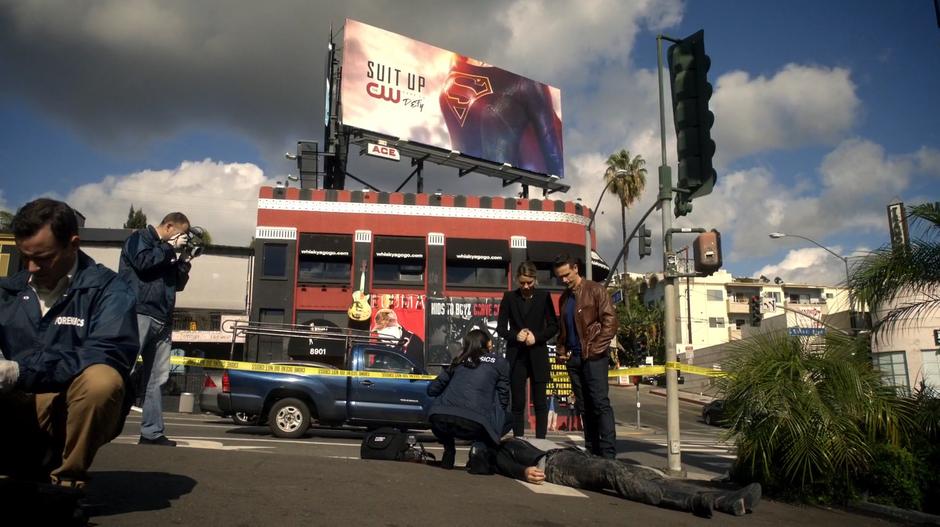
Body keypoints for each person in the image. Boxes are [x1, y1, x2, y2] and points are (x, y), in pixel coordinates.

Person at [0, 198, 139, 488]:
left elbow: (108, 352)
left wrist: (18, 371)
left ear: (73, 244)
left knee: (103, 379)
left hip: (66, 406)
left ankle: (66, 482)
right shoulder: (7, 291)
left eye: (43, 257)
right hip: (15, 405)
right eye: (25, 256)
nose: (32, 267)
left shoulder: (109, 290)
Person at [490, 437, 761, 518]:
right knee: (618, 477)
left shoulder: (515, 437)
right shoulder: (500, 448)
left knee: (646, 474)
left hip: (576, 455)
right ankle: (693, 502)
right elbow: (498, 463)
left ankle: (726, 501)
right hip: (557, 465)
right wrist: (523, 471)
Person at [119, 212, 194, 446]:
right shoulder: (140, 238)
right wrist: (169, 249)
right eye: (181, 234)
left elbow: (177, 285)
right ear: (169, 226)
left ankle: (152, 432)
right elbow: (143, 264)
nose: (182, 239)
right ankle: (100, 420)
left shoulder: (166, 250)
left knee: (157, 378)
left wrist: (185, 259)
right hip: (139, 312)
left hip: (162, 317)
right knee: (124, 370)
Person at [553, 253, 618, 458]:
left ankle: (608, 454)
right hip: (574, 359)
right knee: (584, 406)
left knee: (599, 403)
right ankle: (592, 450)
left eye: (566, 275)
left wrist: (595, 349)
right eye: (560, 277)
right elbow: (564, 329)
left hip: (594, 357)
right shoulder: (564, 298)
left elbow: (610, 322)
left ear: (575, 269)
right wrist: (561, 350)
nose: (563, 280)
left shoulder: (596, 290)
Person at [426, 329, 511, 470]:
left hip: (440, 420)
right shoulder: (499, 363)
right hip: (475, 424)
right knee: (509, 419)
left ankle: (449, 450)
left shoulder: (459, 360)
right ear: (488, 344)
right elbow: (503, 396)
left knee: (439, 410)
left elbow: (432, 390)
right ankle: (479, 447)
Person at [496, 261, 558, 439]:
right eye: (522, 282)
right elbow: (500, 328)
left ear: (535, 280)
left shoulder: (543, 296)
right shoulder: (509, 297)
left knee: (540, 402)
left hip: (538, 354)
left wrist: (536, 337)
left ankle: (541, 442)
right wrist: (515, 335)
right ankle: (519, 440)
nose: (525, 286)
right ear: (517, 279)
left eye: (529, 282)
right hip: (517, 355)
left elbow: (553, 326)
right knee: (518, 403)